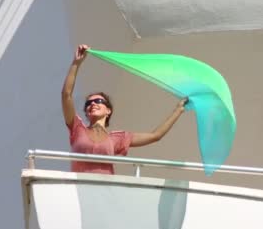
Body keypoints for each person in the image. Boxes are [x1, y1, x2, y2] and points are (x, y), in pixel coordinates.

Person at [61, 44, 187, 174]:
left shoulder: (117, 139)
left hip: (104, 191)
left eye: (98, 101)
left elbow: (155, 136)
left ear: (108, 110)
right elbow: (66, 95)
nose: (92, 104)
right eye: (88, 103)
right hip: (76, 190)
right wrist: (76, 63)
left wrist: (178, 110)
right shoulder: (77, 128)